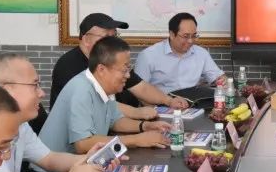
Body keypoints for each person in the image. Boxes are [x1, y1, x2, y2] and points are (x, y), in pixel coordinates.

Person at [40, 35, 170, 154]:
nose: (128, 75)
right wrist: (137, 140)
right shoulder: (81, 90)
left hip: (83, 161)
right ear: (101, 69)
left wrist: (145, 126)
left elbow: (115, 121)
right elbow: (83, 143)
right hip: (54, 169)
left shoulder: (104, 86)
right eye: (124, 70)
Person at [50, 12, 188, 116]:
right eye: (106, 37)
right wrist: (137, 113)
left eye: (114, 36)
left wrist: (169, 101)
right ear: (86, 39)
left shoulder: (110, 59)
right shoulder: (68, 66)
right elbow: (100, 105)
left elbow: (140, 87)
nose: (113, 43)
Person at [134, 12, 225, 94]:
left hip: (193, 102)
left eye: (194, 36)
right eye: (186, 36)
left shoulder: (201, 53)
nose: (190, 41)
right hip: (161, 103)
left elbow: (218, 77)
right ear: (172, 34)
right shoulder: (148, 56)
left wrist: (222, 81)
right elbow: (138, 90)